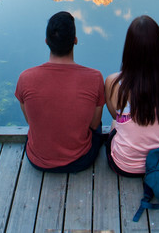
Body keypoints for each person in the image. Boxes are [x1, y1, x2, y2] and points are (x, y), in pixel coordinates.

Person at [15, 10, 105, 172]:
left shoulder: (25, 78)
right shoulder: (95, 77)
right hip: (80, 160)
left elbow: (30, 121)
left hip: (38, 160)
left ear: (46, 41)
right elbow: (93, 124)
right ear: (75, 41)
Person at [103, 15, 159, 177]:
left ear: (129, 48)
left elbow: (115, 115)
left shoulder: (114, 83)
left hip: (124, 165)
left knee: (116, 122)